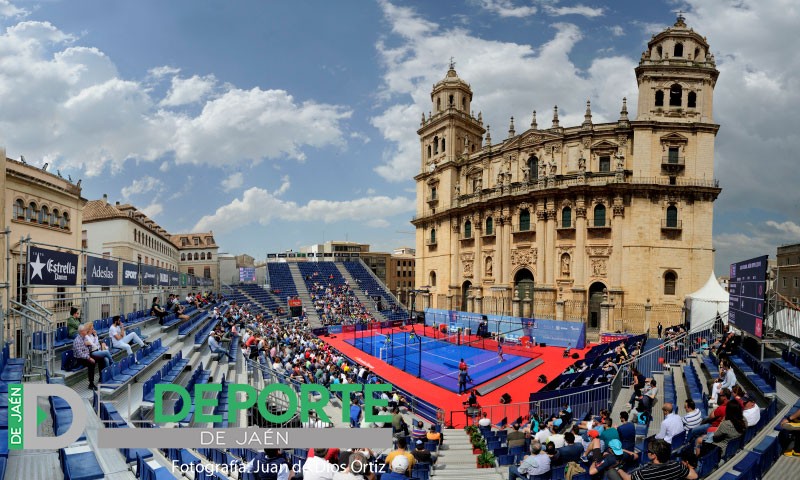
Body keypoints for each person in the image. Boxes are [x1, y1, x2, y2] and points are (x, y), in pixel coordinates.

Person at [617, 439, 697, 480]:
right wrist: (687, 465)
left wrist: (619, 470)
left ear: (653, 456)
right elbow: (694, 476)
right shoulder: (677, 465)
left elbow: (628, 478)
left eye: (649, 451)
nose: (647, 452)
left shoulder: (644, 473)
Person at [73, 324, 97, 390]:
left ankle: (102, 377)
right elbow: (80, 354)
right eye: (85, 330)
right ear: (81, 332)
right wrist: (89, 358)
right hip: (80, 359)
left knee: (101, 358)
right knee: (92, 363)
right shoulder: (77, 341)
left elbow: (91, 346)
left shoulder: (84, 338)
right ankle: (91, 384)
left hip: (86, 355)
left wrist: (89, 345)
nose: (86, 331)